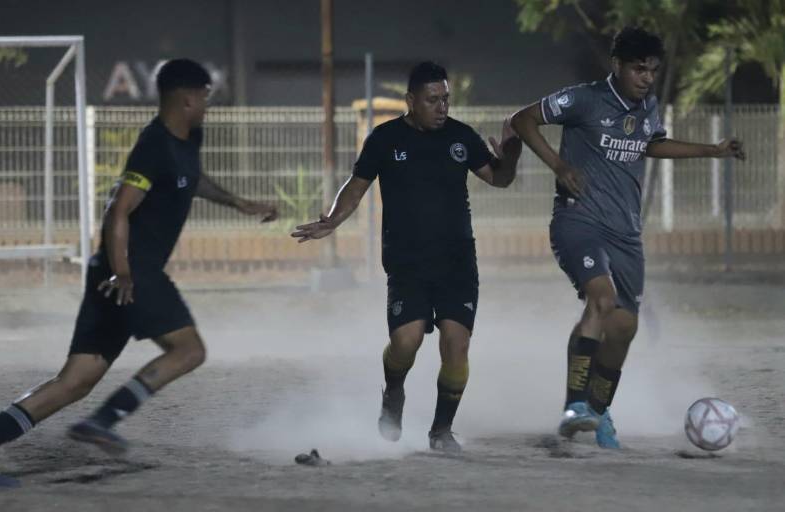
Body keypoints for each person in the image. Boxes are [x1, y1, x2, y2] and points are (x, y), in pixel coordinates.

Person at [0, 58, 278, 486]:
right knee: (189, 351)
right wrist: (124, 273)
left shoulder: (188, 138)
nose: (208, 104)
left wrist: (240, 203)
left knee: (75, 380)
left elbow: (192, 179)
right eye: (205, 97)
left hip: (116, 271)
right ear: (188, 98)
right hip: (132, 270)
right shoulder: (153, 146)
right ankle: (102, 422)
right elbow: (118, 212)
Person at [511, 27, 745, 448]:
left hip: (625, 235)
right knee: (600, 300)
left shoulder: (648, 106)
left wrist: (712, 150)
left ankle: (598, 415)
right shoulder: (583, 98)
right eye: (639, 69)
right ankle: (574, 407)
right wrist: (559, 166)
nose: (647, 78)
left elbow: (651, 145)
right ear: (616, 66)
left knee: (623, 326)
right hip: (577, 220)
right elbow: (522, 119)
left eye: (653, 70)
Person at [292, 61, 521, 454]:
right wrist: (332, 219)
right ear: (411, 101)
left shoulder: (461, 137)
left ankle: (441, 431)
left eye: (446, 99)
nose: (442, 107)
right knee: (405, 342)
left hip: (457, 262)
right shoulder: (384, 139)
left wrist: (511, 156)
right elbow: (356, 185)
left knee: (456, 344)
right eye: (433, 100)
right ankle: (393, 393)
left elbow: (499, 178)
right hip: (407, 263)